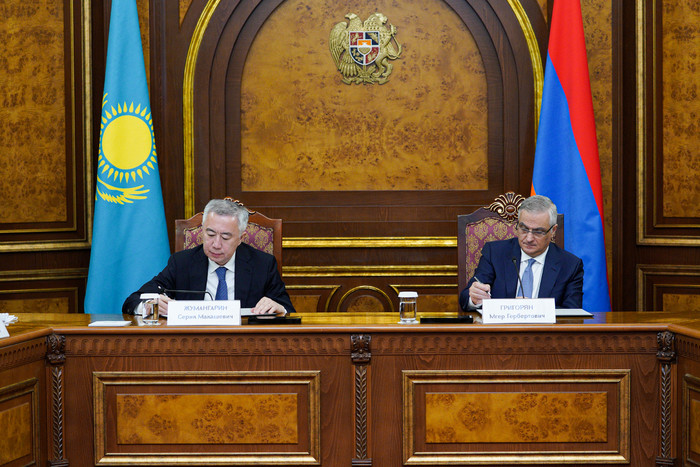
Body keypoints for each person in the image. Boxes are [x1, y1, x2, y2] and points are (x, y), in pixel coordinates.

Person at [122, 199, 295, 315]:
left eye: (225, 237)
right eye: (210, 234)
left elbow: (288, 309)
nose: (216, 244)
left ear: (240, 238)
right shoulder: (182, 263)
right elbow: (133, 300)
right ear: (202, 230)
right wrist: (148, 306)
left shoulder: (262, 264)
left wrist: (279, 308)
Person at [459, 195, 583, 311]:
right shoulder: (495, 253)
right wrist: (475, 298)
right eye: (523, 229)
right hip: (500, 327)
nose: (529, 238)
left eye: (538, 232)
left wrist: (532, 309)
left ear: (553, 231)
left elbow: (572, 313)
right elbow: (465, 298)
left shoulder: (570, 265)